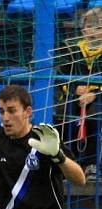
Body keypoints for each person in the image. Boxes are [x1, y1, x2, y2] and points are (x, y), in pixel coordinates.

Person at [57, 7, 102, 180]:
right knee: (63, 115)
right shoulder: (71, 50)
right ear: (83, 30)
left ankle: (91, 164)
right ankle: (67, 161)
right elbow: (61, 76)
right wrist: (75, 89)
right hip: (75, 97)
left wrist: (95, 93)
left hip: (98, 98)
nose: (93, 32)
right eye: (89, 27)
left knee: (93, 116)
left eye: (98, 28)